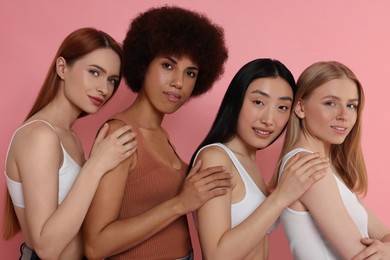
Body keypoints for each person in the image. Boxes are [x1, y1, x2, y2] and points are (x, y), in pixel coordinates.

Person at [82, 6, 231, 260]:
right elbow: (96, 246)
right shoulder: (120, 135)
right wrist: (179, 204)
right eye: (168, 65)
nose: (179, 83)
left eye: (190, 73)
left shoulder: (160, 134)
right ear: (144, 64)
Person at [2, 27, 137, 260]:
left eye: (112, 80)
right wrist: (95, 166)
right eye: (94, 72)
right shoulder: (40, 136)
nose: (104, 89)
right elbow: (46, 248)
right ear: (62, 68)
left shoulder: (68, 136)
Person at [190, 58, 330, 259]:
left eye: (282, 107)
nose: (269, 120)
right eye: (258, 102)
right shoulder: (216, 159)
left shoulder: (249, 162)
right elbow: (216, 255)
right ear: (236, 100)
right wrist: (281, 196)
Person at [270, 61, 390, 259]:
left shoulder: (327, 167)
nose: (344, 115)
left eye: (351, 105)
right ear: (300, 107)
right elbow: (364, 257)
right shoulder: (309, 167)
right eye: (330, 103)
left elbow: (385, 234)